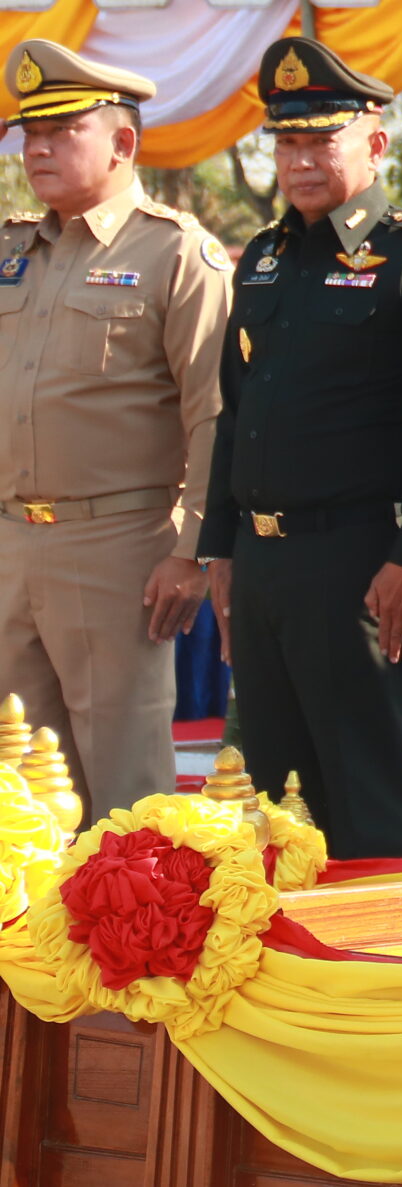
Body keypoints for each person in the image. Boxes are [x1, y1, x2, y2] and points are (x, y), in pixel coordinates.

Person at [194, 40, 402, 857]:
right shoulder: (265, 257)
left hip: (353, 559)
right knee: (273, 795)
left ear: (376, 144)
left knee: (362, 789)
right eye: (287, 142)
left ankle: (389, 938)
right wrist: (220, 547)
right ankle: (291, 940)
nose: (301, 161)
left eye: (322, 141)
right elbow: (236, 413)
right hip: (262, 560)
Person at [0, 42, 227, 819]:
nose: (37, 149)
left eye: (61, 131)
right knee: (21, 795)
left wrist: (191, 548)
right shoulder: (13, 248)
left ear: (123, 141)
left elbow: (214, 412)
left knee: (124, 790)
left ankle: (130, 907)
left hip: (117, 549)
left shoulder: (175, 252)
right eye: (30, 133)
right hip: (12, 541)